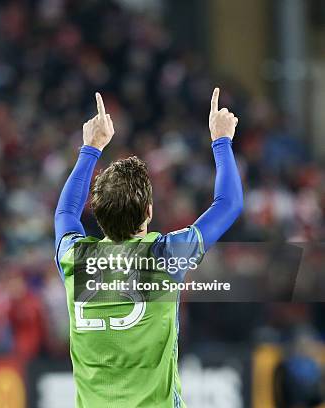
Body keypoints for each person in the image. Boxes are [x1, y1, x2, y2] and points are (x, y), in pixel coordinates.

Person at [54, 89, 243, 407]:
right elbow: (229, 204)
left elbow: (65, 214)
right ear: (149, 212)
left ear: (97, 214)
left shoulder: (75, 259)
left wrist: (90, 148)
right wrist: (221, 140)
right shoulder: (165, 256)